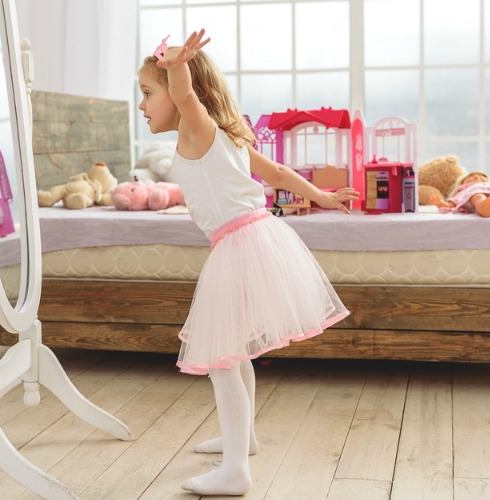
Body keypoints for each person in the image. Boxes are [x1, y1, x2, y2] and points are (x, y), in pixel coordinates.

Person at [138, 30, 359, 496]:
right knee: (234, 352)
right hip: (255, 237)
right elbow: (275, 173)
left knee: (222, 358)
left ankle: (235, 469)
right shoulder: (224, 134)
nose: (141, 105)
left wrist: (176, 67)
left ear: (181, 95)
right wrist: (319, 195)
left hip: (240, 244)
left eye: (146, 93)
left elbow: (182, 92)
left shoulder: (195, 126)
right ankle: (245, 439)